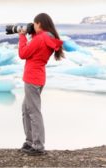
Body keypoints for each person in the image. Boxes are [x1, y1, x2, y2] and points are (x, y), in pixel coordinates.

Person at [18, 13, 64, 156]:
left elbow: (23, 53)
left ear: (40, 24)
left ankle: (37, 145)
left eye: (34, 23)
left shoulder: (41, 38)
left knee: (33, 111)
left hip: (32, 78)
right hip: (38, 77)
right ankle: (30, 141)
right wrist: (31, 35)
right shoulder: (47, 38)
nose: (33, 25)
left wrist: (22, 36)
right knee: (26, 109)